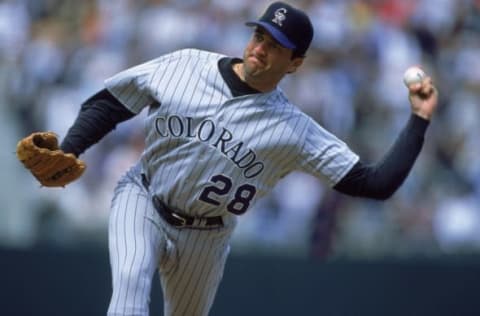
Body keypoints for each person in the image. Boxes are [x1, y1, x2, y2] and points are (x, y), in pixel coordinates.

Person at [56, 2, 438, 315]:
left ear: (295, 63)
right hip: (143, 198)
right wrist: (68, 149)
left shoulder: (294, 131)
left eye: (275, 45)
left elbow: (375, 183)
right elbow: (111, 102)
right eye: (259, 35)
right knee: (129, 293)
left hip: (207, 236)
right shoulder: (186, 65)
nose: (260, 47)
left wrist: (418, 120)